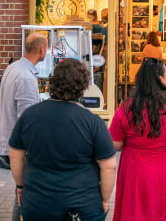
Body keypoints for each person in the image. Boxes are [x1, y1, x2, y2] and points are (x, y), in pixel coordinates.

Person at [9, 58, 116, 221]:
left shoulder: (29, 116)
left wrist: (20, 185)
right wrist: (105, 199)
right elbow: (109, 166)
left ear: (53, 82)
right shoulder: (92, 122)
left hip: (38, 202)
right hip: (82, 205)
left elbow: (15, 155)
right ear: (82, 86)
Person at [109, 57, 166, 221]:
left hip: (136, 170)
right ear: (160, 77)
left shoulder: (128, 105)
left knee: (137, 212)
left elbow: (115, 143)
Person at [0, 32, 48, 221]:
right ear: (42, 49)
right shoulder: (25, 77)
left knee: (21, 192)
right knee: (24, 195)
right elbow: (28, 120)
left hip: (10, 141)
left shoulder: (13, 68)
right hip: (21, 148)